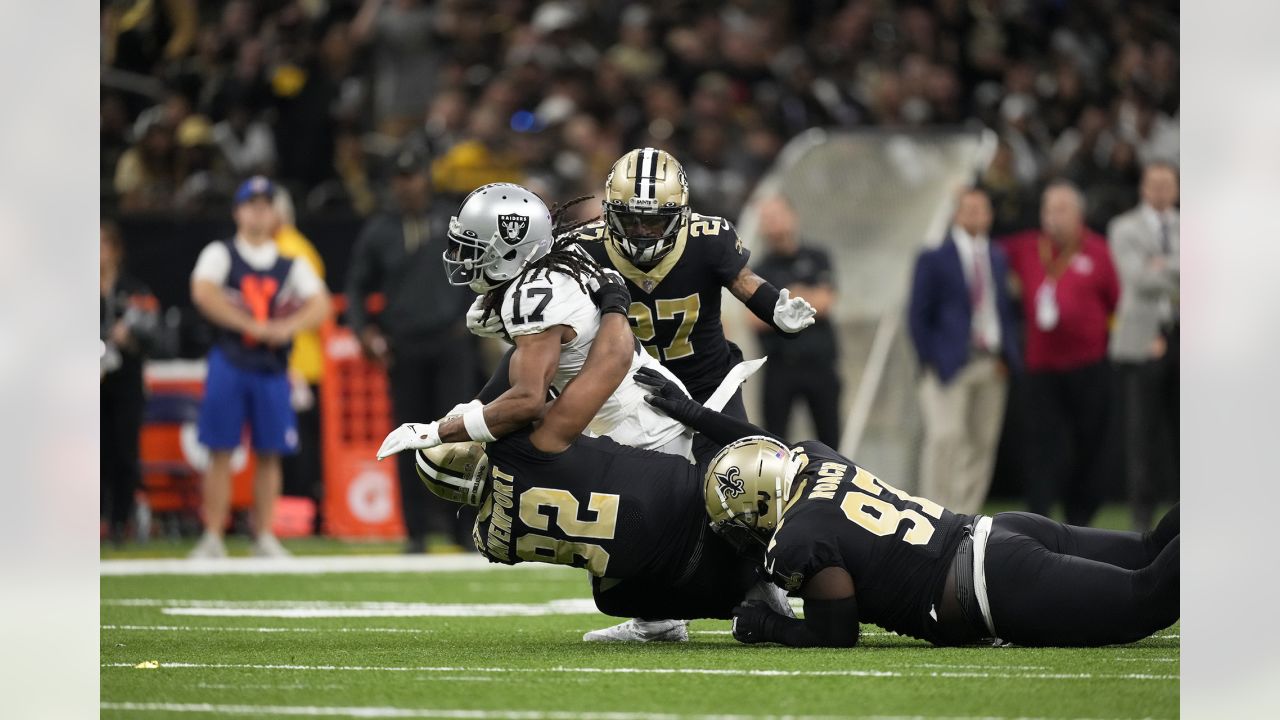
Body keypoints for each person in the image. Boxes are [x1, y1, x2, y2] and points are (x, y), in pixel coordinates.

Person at [376, 183, 777, 641]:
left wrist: (441, 430)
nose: (462, 257)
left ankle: (756, 586)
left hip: (638, 422)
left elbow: (528, 399)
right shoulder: (543, 273)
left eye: (473, 246)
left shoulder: (532, 294)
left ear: (510, 248)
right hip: (626, 408)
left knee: (658, 530)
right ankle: (670, 615)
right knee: (621, 560)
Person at [634, 367, 1179, 649]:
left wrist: (767, 627)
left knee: (1145, 599)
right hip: (993, 532)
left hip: (987, 584)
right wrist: (691, 412)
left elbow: (836, 631)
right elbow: (761, 438)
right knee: (1154, 548)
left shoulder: (797, 540)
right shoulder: (815, 459)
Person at [578, 148, 817, 461]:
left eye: (654, 222)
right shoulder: (583, 250)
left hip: (708, 385)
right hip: (626, 390)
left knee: (737, 473)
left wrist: (774, 308)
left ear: (681, 215)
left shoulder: (707, 239)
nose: (641, 232)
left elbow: (744, 281)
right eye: (631, 220)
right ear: (609, 212)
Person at [188, 176, 331, 558]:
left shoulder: (291, 262)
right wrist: (249, 325)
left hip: (271, 365)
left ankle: (264, 533)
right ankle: (213, 535)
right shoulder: (221, 253)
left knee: (271, 451)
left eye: (266, 205)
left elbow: (321, 304)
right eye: (252, 205)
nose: (258, 212)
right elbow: (203, 293)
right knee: (219, 449)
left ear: (275, 213)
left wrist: (286, 327)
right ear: (238, 211)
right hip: (231, 359)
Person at [344, 146, 477, 553]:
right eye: (400, 178)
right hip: (404, 345)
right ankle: (415, 532)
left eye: (413, 176)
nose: (408, 185)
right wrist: (363, 331)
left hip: (452, 342)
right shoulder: (380, 230)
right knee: (408, 437)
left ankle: (463, 529)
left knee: (463, 438)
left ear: (427, 177)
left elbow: (485, 267)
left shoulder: (452, 221)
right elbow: (355, 286)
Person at [1000, 182, 1119, 526]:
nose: (1052, 217)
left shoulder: (1098, 251)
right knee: (1041, 448)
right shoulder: (1025, 247)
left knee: (1089, 446)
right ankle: (1037, 519)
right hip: (1041, 368)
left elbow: (1115, 301)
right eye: (1047, 209)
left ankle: (1079, 520)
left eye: (1061, 209)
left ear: (1079, 214)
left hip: (1089, 366)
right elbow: (988, 255)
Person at [908, 188, 1022, 514]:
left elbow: (1004, 309)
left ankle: (966, 518)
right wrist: (931, 358)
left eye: (981, 209)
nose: (975, 215)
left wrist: (1007, 355)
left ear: (990, 215)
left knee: (981, 443)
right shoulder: (934, 257)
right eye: (968, 209)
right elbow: (918, 315)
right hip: (949, 364)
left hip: (990, 362)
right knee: (945, 438)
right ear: (956, 214)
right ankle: (935, 514)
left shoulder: (998, 256)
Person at [1108, 162, 1179, 531]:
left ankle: (1186, 517)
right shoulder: (1124, 227)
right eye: (1156, 184)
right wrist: (1179, 267)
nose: (1163, 191)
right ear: (1143, 188)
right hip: (1141, 341)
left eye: (1169, 184)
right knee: (1142, 436)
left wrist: (1161, 265)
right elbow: (1136, 278)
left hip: (1183, 335)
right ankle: (1141, 524)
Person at [749, 195, 841, 447]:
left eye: (777, 216)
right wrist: (799, 296)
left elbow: (825, 301)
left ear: (792, 216)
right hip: (780, 366)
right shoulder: (757, 269)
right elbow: (753, 319)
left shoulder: (816, 256)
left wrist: (781, 303)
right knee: (775, 442)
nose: (774, 224)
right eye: (767, 219)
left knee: (830, 441)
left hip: (819, 364)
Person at [101, 220, 162, 544]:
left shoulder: (133, 290)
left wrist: (132, 334)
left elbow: (156, 335)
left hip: (125, 378)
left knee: (125, 451)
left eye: (103, 244)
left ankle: (119, 522)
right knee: (95, 452)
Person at [273, 189, 327, 533]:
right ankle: (299, 509)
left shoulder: (288, 250)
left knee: (296, 445)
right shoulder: (298, 246)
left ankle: (297, 512)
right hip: (301, 360)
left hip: (297, 361)